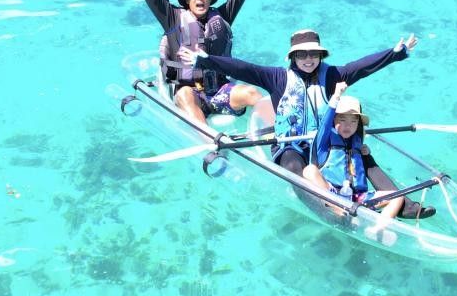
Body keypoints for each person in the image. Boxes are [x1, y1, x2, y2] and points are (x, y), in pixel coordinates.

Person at [180, 29, 434, 219]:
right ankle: (326, 210)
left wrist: (395, 54)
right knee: (293, 166)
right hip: (290, 145)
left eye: (313, 54)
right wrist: (206, 60)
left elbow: (362, 67)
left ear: (320, 55)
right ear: (293, 56)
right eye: (302, 54)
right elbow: (244, 68)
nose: (308, 59)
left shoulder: (333, 75)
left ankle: (405, 205)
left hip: (323, 142)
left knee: (361, 155)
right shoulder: (277, 77)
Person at [128, 0, 268, 125]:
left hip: (219, 91)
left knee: (251, 93)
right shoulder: (172, 18)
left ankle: (281, 134)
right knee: (186, 94)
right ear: (187, 0)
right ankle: (211, 146)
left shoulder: (222, 16)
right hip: (188, 93)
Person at [302, 82, 405, 232]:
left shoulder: (358, 143)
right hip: (333, 195)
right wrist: (337, 95)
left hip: (358, 198)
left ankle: (376, 229)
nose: (347, 126)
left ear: (358, 124)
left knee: (397, 197)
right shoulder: (324, 143)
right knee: (309, 170)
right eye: (342, 120)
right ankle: (339, 212)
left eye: (353, 121)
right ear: (334, 120)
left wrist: (365, 152)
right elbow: (325, 122)